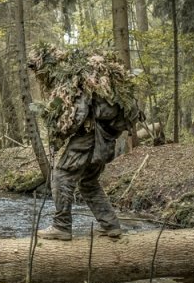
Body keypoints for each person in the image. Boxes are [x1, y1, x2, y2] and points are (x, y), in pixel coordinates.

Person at [37, 91, 132, 241]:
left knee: (62, 176)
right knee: (88, 183)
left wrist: (59, 136)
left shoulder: (85, 87)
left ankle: (61, 226)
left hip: (88, 137)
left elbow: (78, 116)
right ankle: (110, 225)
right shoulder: (109, 91)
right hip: (106, 141)